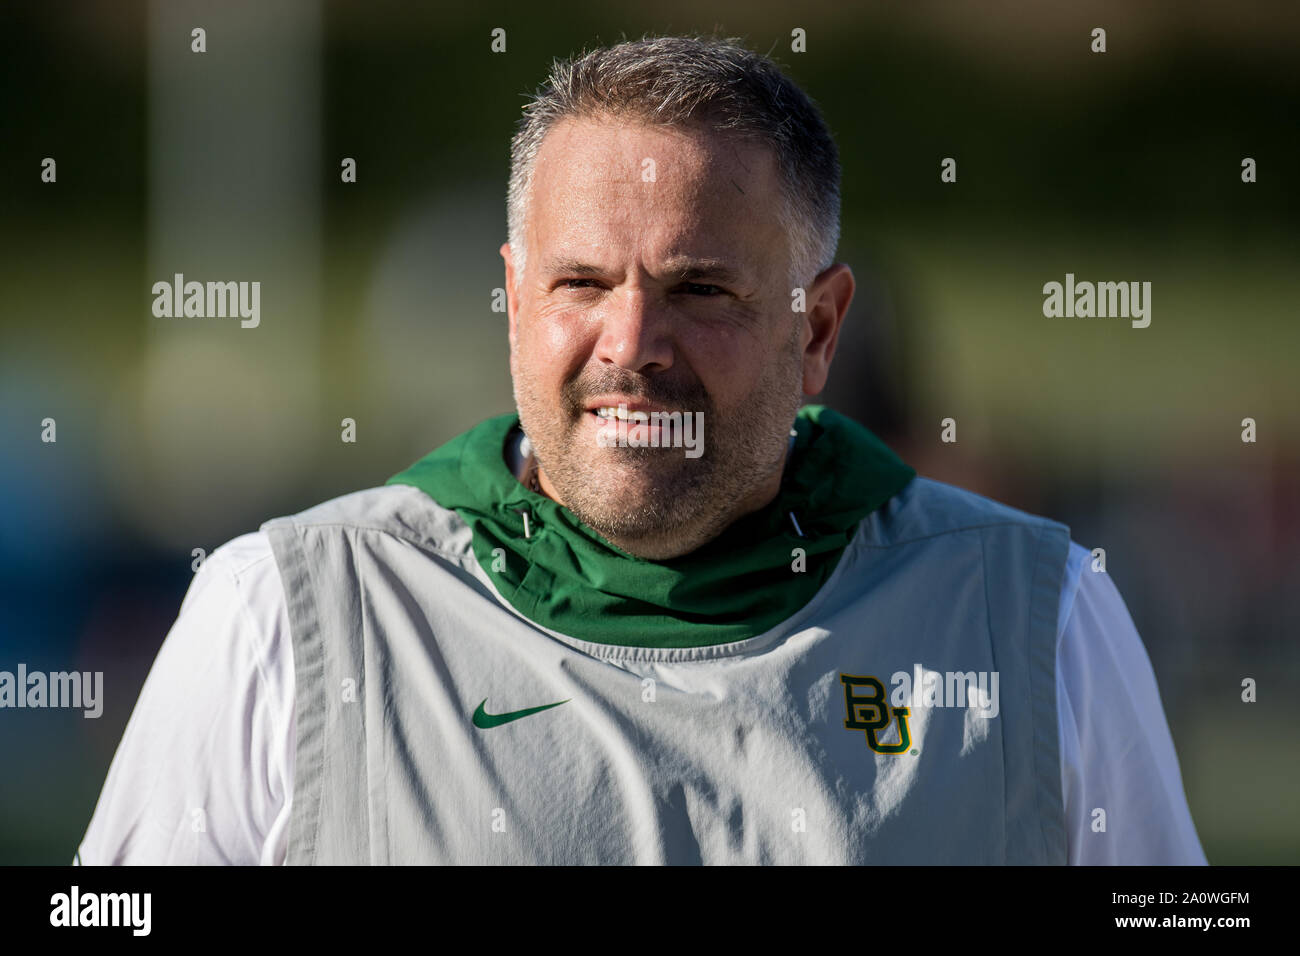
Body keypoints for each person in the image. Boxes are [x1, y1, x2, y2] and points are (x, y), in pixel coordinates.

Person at [75, 34, 1206, 865]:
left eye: (699, 289)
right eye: (581, 284)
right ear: (515, 300)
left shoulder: (1033, 611)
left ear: (816, 329)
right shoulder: (284, 615)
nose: (632, 346)